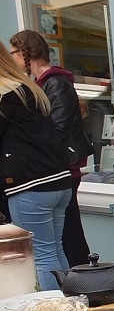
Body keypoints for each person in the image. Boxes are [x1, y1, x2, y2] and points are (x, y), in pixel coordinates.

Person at [10, 29, 94, 267]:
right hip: (53, 167)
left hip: (61, 168)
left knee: (68, 234)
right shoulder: (38, 84)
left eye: (14, 52)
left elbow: (60, 128)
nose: (12, 59)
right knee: (60, 241)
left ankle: (83, 277)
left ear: (27, 53)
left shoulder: (55, 83)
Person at [0, 47, 72, 291]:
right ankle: (70, 309)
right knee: (54, 250)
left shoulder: (2, 95)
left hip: (30, 186)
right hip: (58, 180)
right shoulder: (26, 89)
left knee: (41, 256)